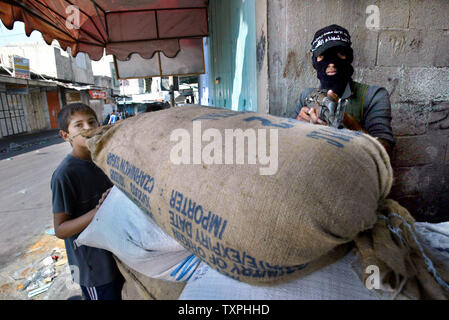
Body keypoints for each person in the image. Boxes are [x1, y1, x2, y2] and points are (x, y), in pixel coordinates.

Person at [50, 103, 124, 300]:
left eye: (92, 122)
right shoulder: (65, 175)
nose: (88, 129)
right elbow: (60, 229)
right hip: (93, 268)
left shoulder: (102, 160)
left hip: (116, 255)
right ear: (66, 135)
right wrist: (98, 212)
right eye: (79, 125)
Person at [292, 24, 394, 156]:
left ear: (349, 58)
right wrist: (298, 127)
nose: (331, 63)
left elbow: (385, 151)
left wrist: (350, 124)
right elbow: (290, 147)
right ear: (315, 62)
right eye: (323, 56)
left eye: (340, 54)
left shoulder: (373, 96)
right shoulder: (306, 96)